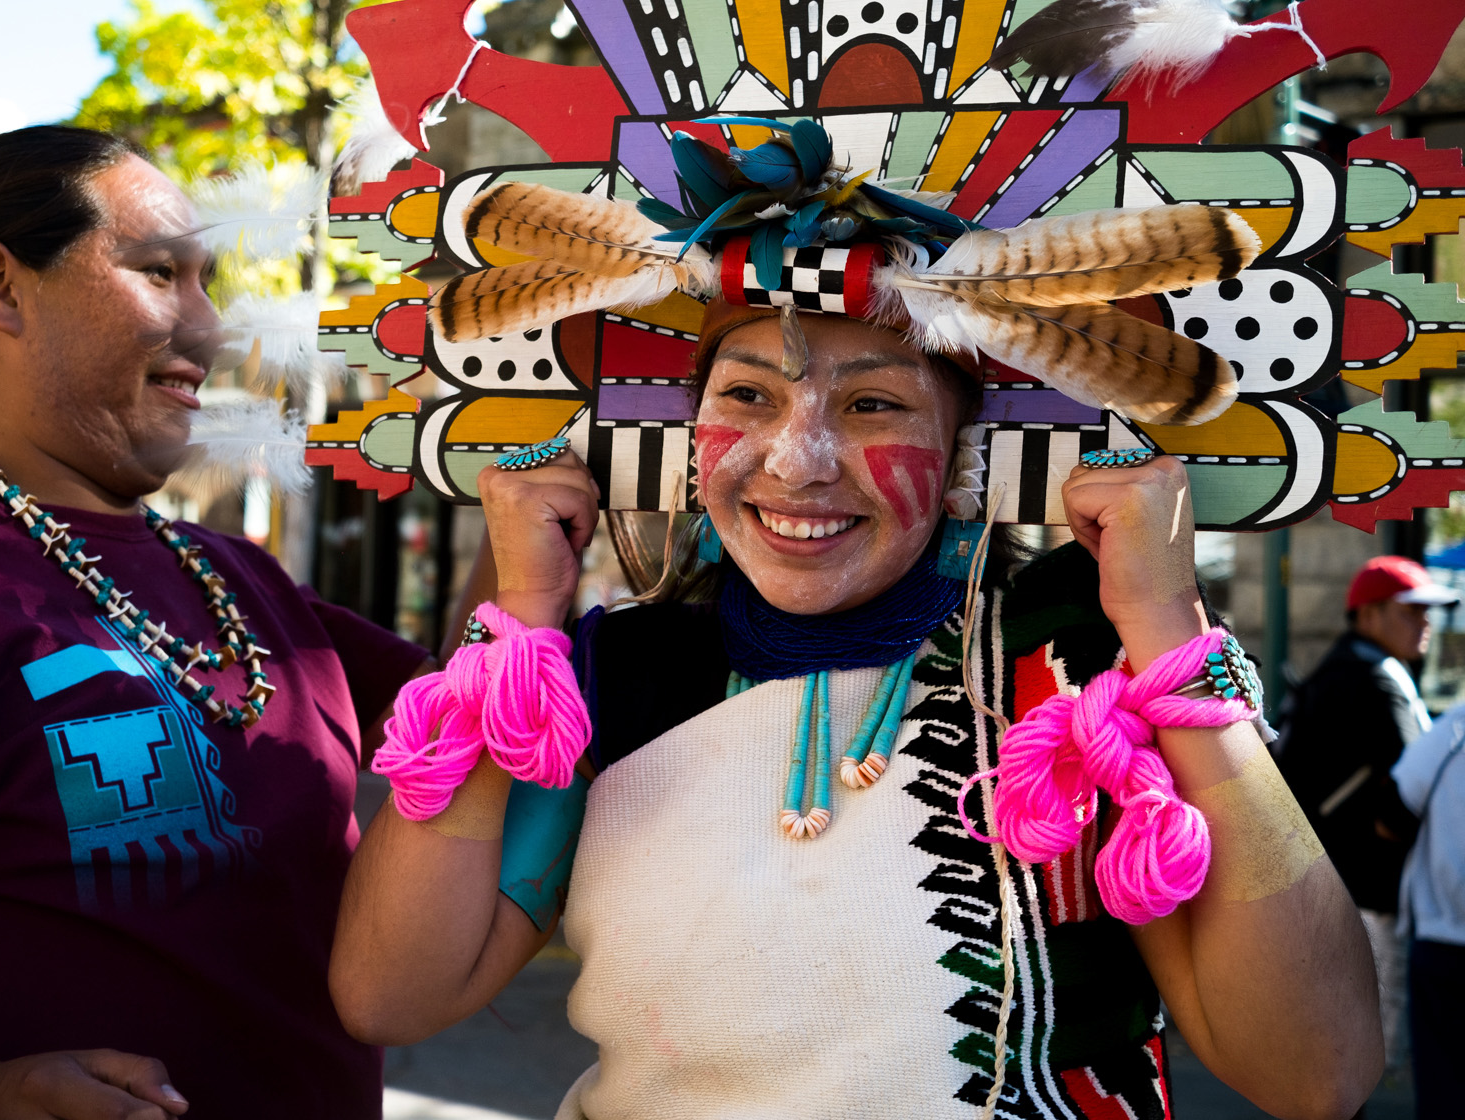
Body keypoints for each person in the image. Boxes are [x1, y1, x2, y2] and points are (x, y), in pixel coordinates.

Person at [331, 122, 1384, 1119]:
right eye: (746, 397)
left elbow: (1315, 1070)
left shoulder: (1072, 668)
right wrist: (518, 627)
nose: (798, 461)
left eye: (874, 405)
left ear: (968, 450)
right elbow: (392, 995)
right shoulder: (619, 678)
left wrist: (1169, 635)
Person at [0, 126, 432, 1118]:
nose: (207, 328)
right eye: (161, 272)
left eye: (206, 281)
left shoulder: (243, 579)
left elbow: (489, 732)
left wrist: (524, 519)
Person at [1278, 553, 1459, 1075]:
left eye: (1429, 613)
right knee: (1358, 1057)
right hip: (1366, 895)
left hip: (1330, 882)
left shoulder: (1343, 669)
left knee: (1337, 1052)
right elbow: (1412, 793)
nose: (1425, 623)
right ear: (1369, 614)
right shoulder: (1375, 680)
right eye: (1411, 611)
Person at [1392, 697, 1465, 1119]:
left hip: (1445, 935)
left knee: (1445, 1088)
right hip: (1443, 937)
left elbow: (1394, 811)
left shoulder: (1453, 732)